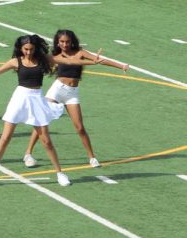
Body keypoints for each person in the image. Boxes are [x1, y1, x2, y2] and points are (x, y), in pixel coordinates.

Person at [0, 35, 97, 188]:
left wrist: (92, 61)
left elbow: (70, 61)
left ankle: (60, 173)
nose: (29, 52)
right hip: (19, 98)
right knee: (5, 138)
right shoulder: (15, 61)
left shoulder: (44, 59)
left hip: (37, 98)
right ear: (21, 48)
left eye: (31, 49)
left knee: (46, 140)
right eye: (26, 49)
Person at [21, 29, 128, 169]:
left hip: (72, 93)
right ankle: (28, 153)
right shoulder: (55, 55)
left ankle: (92, 158)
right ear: (57, 42)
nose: (64, 44)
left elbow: (100, 60)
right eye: (62, 42)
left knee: (79, 127)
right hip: (57, 90)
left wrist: (121, 66)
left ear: (72, 42)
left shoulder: (81, 53)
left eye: (67, 42)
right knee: (42, 120)